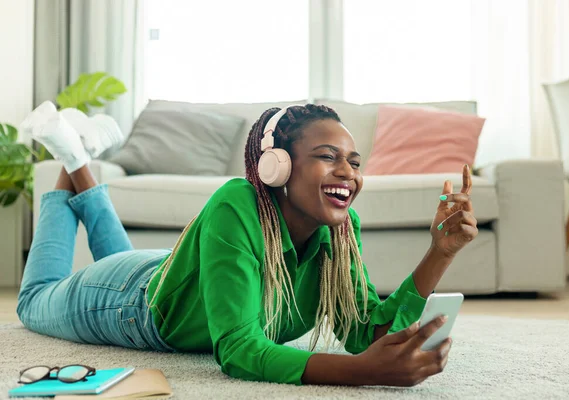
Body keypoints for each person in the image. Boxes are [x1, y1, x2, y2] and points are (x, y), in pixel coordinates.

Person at [16, 103, 478, 387]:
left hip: (184, 277)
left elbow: (364, 334)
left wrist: (441, 251)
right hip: (128, 302)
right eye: (327, 157)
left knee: (115, 256)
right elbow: (238, 350)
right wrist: (363, 373)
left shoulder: (341, 229)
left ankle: (78, 154)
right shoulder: (237, 202)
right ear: (276, 166)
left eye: (354, 162)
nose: (348, 173)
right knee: (34, 303)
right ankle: (72, 154)